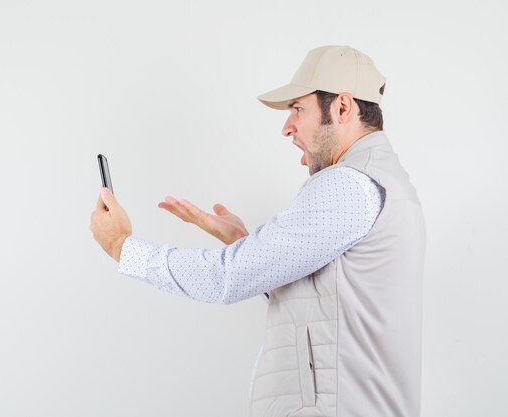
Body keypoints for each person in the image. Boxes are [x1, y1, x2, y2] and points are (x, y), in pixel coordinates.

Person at [90, 45, 426, 417]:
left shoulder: (350, 185)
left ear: (342, 108)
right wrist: (244, 244)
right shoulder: (379, 182)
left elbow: (226, 277)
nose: (287, 127)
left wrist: (122, 246)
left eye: (298, 108)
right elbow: (328, 300)